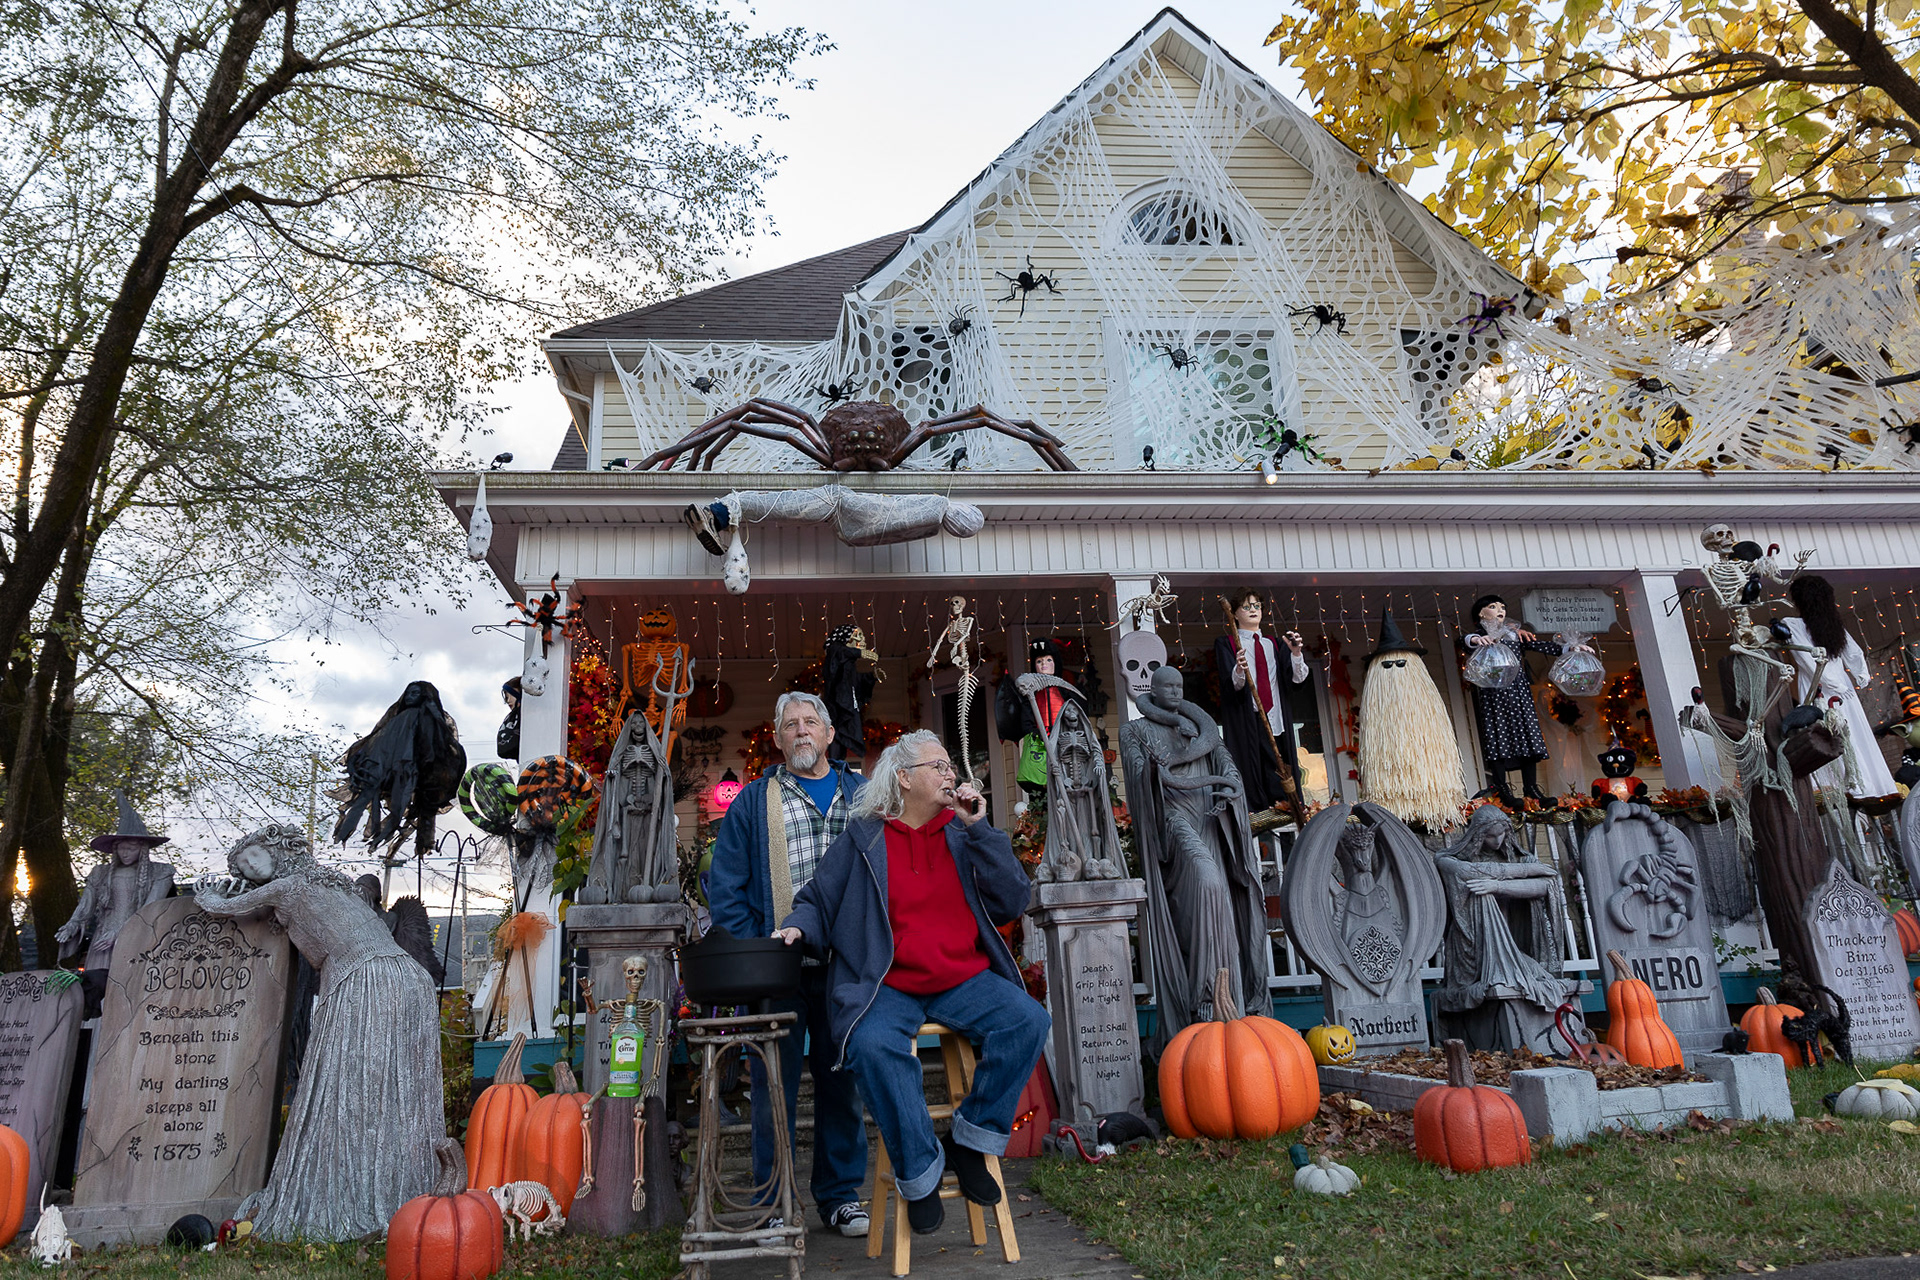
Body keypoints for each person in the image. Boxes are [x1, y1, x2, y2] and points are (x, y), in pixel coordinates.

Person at [777, 731, 1048, 1236]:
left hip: (961, 978)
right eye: (938, 766)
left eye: (950, 766)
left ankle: (969, 1143)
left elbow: (1013, 899)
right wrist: (798, 926)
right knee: (874, 1046)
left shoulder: (964, 833)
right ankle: (920, 1173)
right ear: (904, 778)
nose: (950, 774)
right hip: (888, 983)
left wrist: (982, 829)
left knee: (1028, 1020)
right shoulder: (864, 839)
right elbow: (818, 899)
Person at [196, 824, 453, 1241]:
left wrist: (208, 893)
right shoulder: (335, 883)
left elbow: (224, 906)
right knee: (392, 1093)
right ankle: (400, 1195)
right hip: (407, 976)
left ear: (280, 851)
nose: (252, 870)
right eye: (245, 867)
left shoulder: (288, 886)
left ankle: (355, 1200)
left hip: (363, 979)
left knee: (348, 1090)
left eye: (254, 859)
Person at [708, 691, 871, 1239]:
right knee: (771, 1085)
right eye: (790, 725)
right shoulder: (753, 803)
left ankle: (840, 1196)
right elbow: (726, 891)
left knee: (840, 1079)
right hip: (778, 966)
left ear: (829, 735)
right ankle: (773, 1200)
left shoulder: (865, 796)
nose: (801, 731)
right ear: (777, 740)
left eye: (810, 723)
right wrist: (759, 949)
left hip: (847, 964)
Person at [1119, 664, 1267, 1052]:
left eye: (1181, 686)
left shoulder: (1202, 727)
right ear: (1152, 689)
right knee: (1206, 883)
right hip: (1173, 823)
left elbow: (1226, 766)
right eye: (1168, 687)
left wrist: (1232, 786)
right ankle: (1202, 995)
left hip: (1210, 821)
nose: (1176, 692)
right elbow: (1137, 775)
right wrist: (1155, 767)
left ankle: (1226, 995)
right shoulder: (1135, 730)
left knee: (1221, 900)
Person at [56, 792, 175, 1014]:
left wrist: (121, 933)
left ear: (142, 848)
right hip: (103, 941)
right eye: (122, 848)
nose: (126, 853)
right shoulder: (100, 874)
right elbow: (86, 906)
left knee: (130, 992)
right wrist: (72, 925)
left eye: (131, 848)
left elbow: (150, 909)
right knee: (96, 990)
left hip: (140, 939)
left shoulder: (160, 873)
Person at [1463, 594, 1586, 804]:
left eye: (1502, 607)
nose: (1500, 610)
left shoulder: (1513, 635)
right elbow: (1465, 641)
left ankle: (1531, 789)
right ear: (1481, 613)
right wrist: (1476, 639)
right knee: (1498, 738)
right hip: (1495, 695)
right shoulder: (1480, 636)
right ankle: (1501, 789)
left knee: (1529, 738)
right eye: (1493, 607)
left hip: (1520, 695)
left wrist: (1571, 648)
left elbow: (1543, 646)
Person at [1781, 574, 1896, 798]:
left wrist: (1855, 676)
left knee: (1837, 733)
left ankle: (1853, 786)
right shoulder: (1826, 625)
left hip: (1823, 687)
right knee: (1844, 732)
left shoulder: (1795, 625)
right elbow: (1848, 654)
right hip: (1836, 686)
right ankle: (1858, 785)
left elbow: (1811, 661)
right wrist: (1856, 677)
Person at [1212, 588, 1311, 814]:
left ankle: (1288, 810)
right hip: (1250, 717)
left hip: (1276, 717)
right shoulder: (1228, 644)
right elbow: (1231, 687)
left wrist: (1296, 654)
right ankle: (1258, 814)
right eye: (1246, 607)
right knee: (1254, 767)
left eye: (1256, 606)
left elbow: (1296, 680)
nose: (1253, 610)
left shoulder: (1274, 644)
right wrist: (1238, 668)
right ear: (1235, 614)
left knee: (1280, 768)